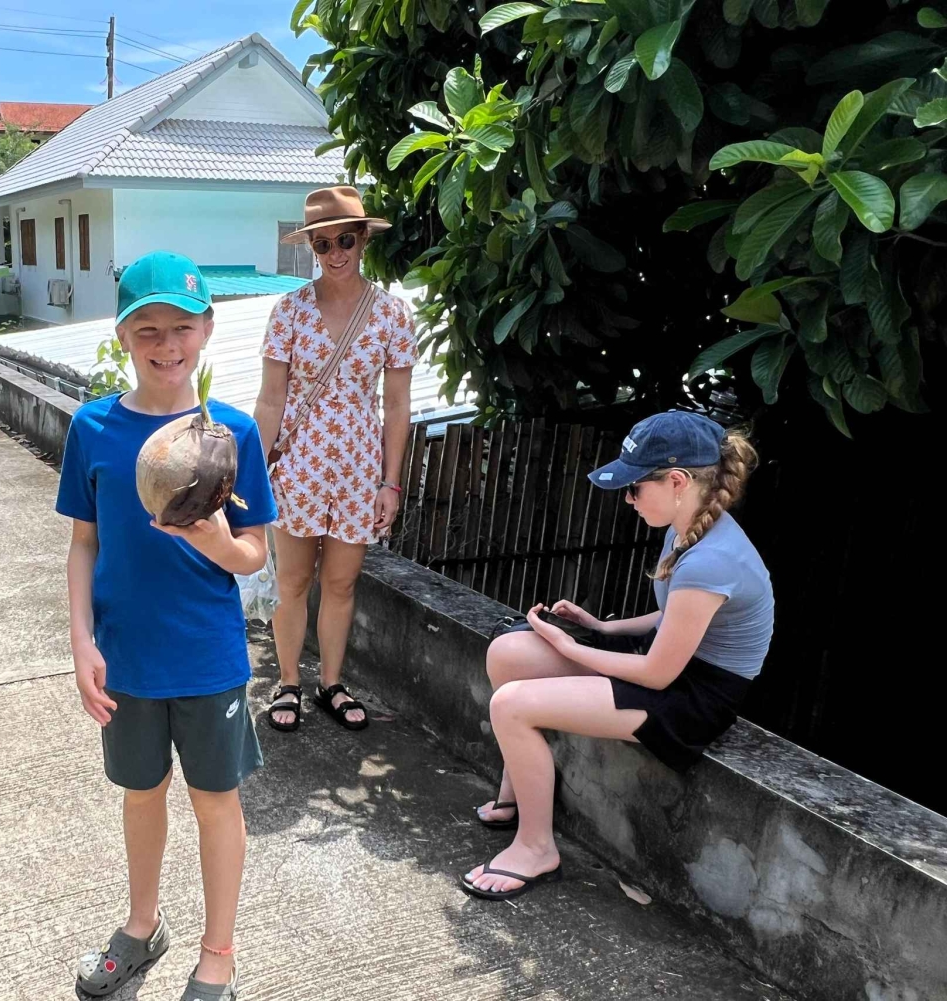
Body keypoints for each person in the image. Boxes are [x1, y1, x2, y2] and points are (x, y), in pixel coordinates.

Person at [58, 252, 277, 1001]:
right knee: (140, 792)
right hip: (125, 657)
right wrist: (83, 642)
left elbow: (254, 556)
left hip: (208, 656)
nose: (165, 342)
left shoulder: (232, 434)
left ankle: (219, 951)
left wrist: (218, 542)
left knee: (215, 800)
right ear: (122, 335)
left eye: (181, 326)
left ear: (207, 329)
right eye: (146, 327)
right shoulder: (93, 426)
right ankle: (143, 924)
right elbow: (84, 542)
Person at [462, 411, 773, 901]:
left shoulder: (712, 558)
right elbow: (673, 619)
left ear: (676, 481)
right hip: (671, 668)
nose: (627, 499)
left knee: (510, 705)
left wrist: (569, 646)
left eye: (633, 487)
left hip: (692, 697)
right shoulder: (687, 527)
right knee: (509, 654)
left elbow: (657, 671)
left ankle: (536, 848)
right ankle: (520, 788)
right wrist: (601, 628)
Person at [252, 185, 417, 733]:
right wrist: (255, 470)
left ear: (363, 238)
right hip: (297, 466)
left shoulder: (393, 314)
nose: (335, 252)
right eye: (323, 245)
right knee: (294, 582)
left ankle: (332, 683)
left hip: (358, 469)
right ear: (312, 249)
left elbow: (396, 404)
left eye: (345, 239)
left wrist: (390, 483)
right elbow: (272, 398)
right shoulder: (289, 312)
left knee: (343, 584)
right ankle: (289, 682)